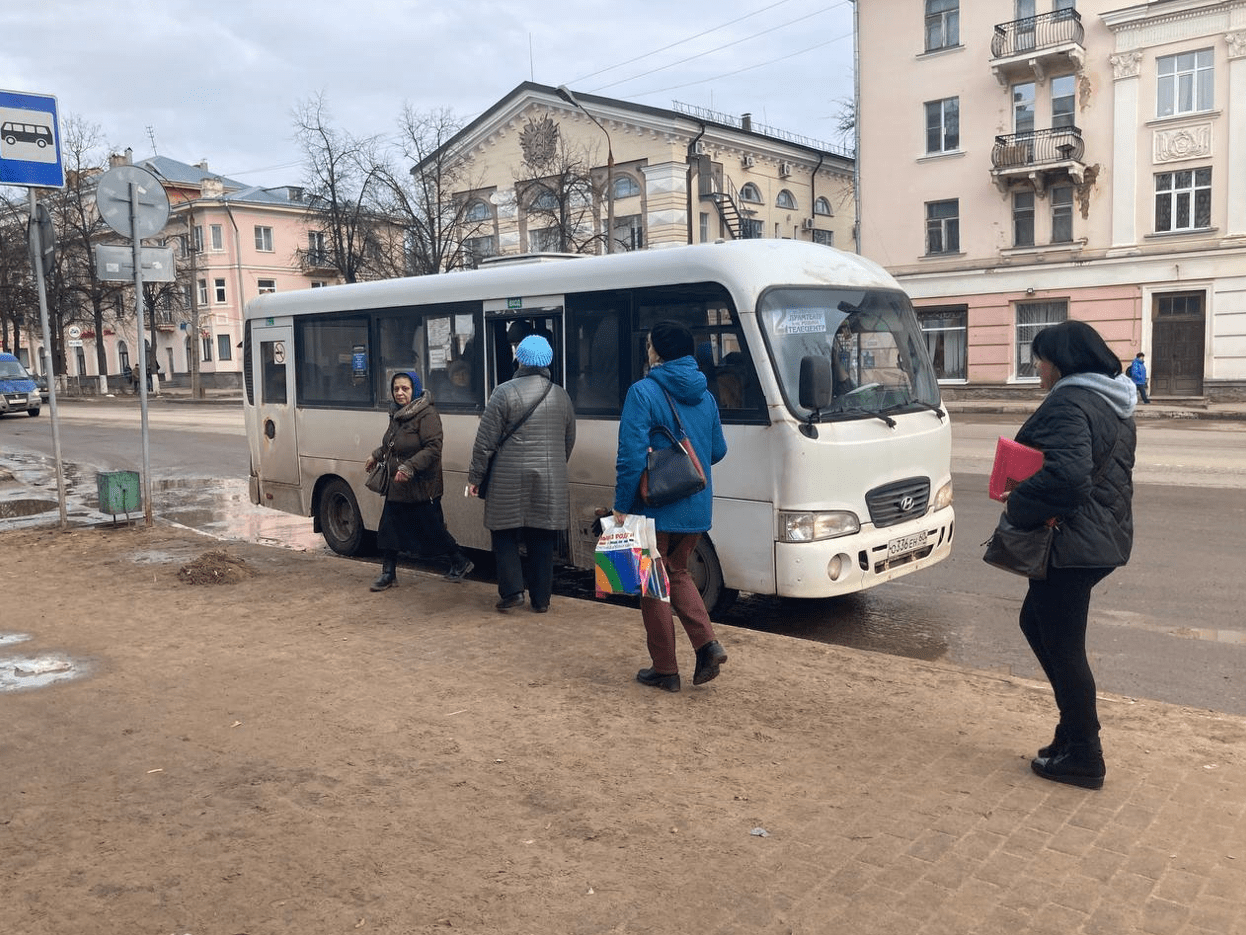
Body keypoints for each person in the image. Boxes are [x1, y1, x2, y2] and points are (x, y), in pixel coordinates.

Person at [1003, 320, 1137, 789]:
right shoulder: (1112, 400)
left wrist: (1017, 501)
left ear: (1059, 362)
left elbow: (1069, 478)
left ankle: (1084, 753)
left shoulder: (1068, 401)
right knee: (1037, 624)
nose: (1036, 365)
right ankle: (1071, 732)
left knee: (1063, 645)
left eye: (1040, 357)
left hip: (1070, 543)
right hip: (1100, 538)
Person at [613, 320, 729, 693]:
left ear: (657, 352)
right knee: (676, 572)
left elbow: (631, 458)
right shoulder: (706, 395)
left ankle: (665, 670)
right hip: (696, 503)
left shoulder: (642, 392)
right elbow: (717, 451)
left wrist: (620, 506)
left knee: (652, 582)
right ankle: (707, 645)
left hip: (654, 504)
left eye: (649, 345)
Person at [467, 335, 576, 613]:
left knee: (504, 534)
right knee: (542, 538)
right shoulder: (561, 395)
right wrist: (553, 465)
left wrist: (475, 478)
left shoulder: (503, 392)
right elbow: (568, 440)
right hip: (548, 479)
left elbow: (485, 443)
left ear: (519, 359)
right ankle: (541, 600)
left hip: (507, 478)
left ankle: (513, 591)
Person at [366, 371, 474, 592]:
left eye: (405, 388)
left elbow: (433, 448)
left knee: (431, 530)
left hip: (422, 486)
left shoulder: (427, 415)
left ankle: (460, 560)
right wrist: (376, 455)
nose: (400, 393)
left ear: (414, 389)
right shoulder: (396, 414)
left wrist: (410, 467)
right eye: (396, 389)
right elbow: (392, 444)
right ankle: (388, 573)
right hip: (397, 484)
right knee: (388, 528)